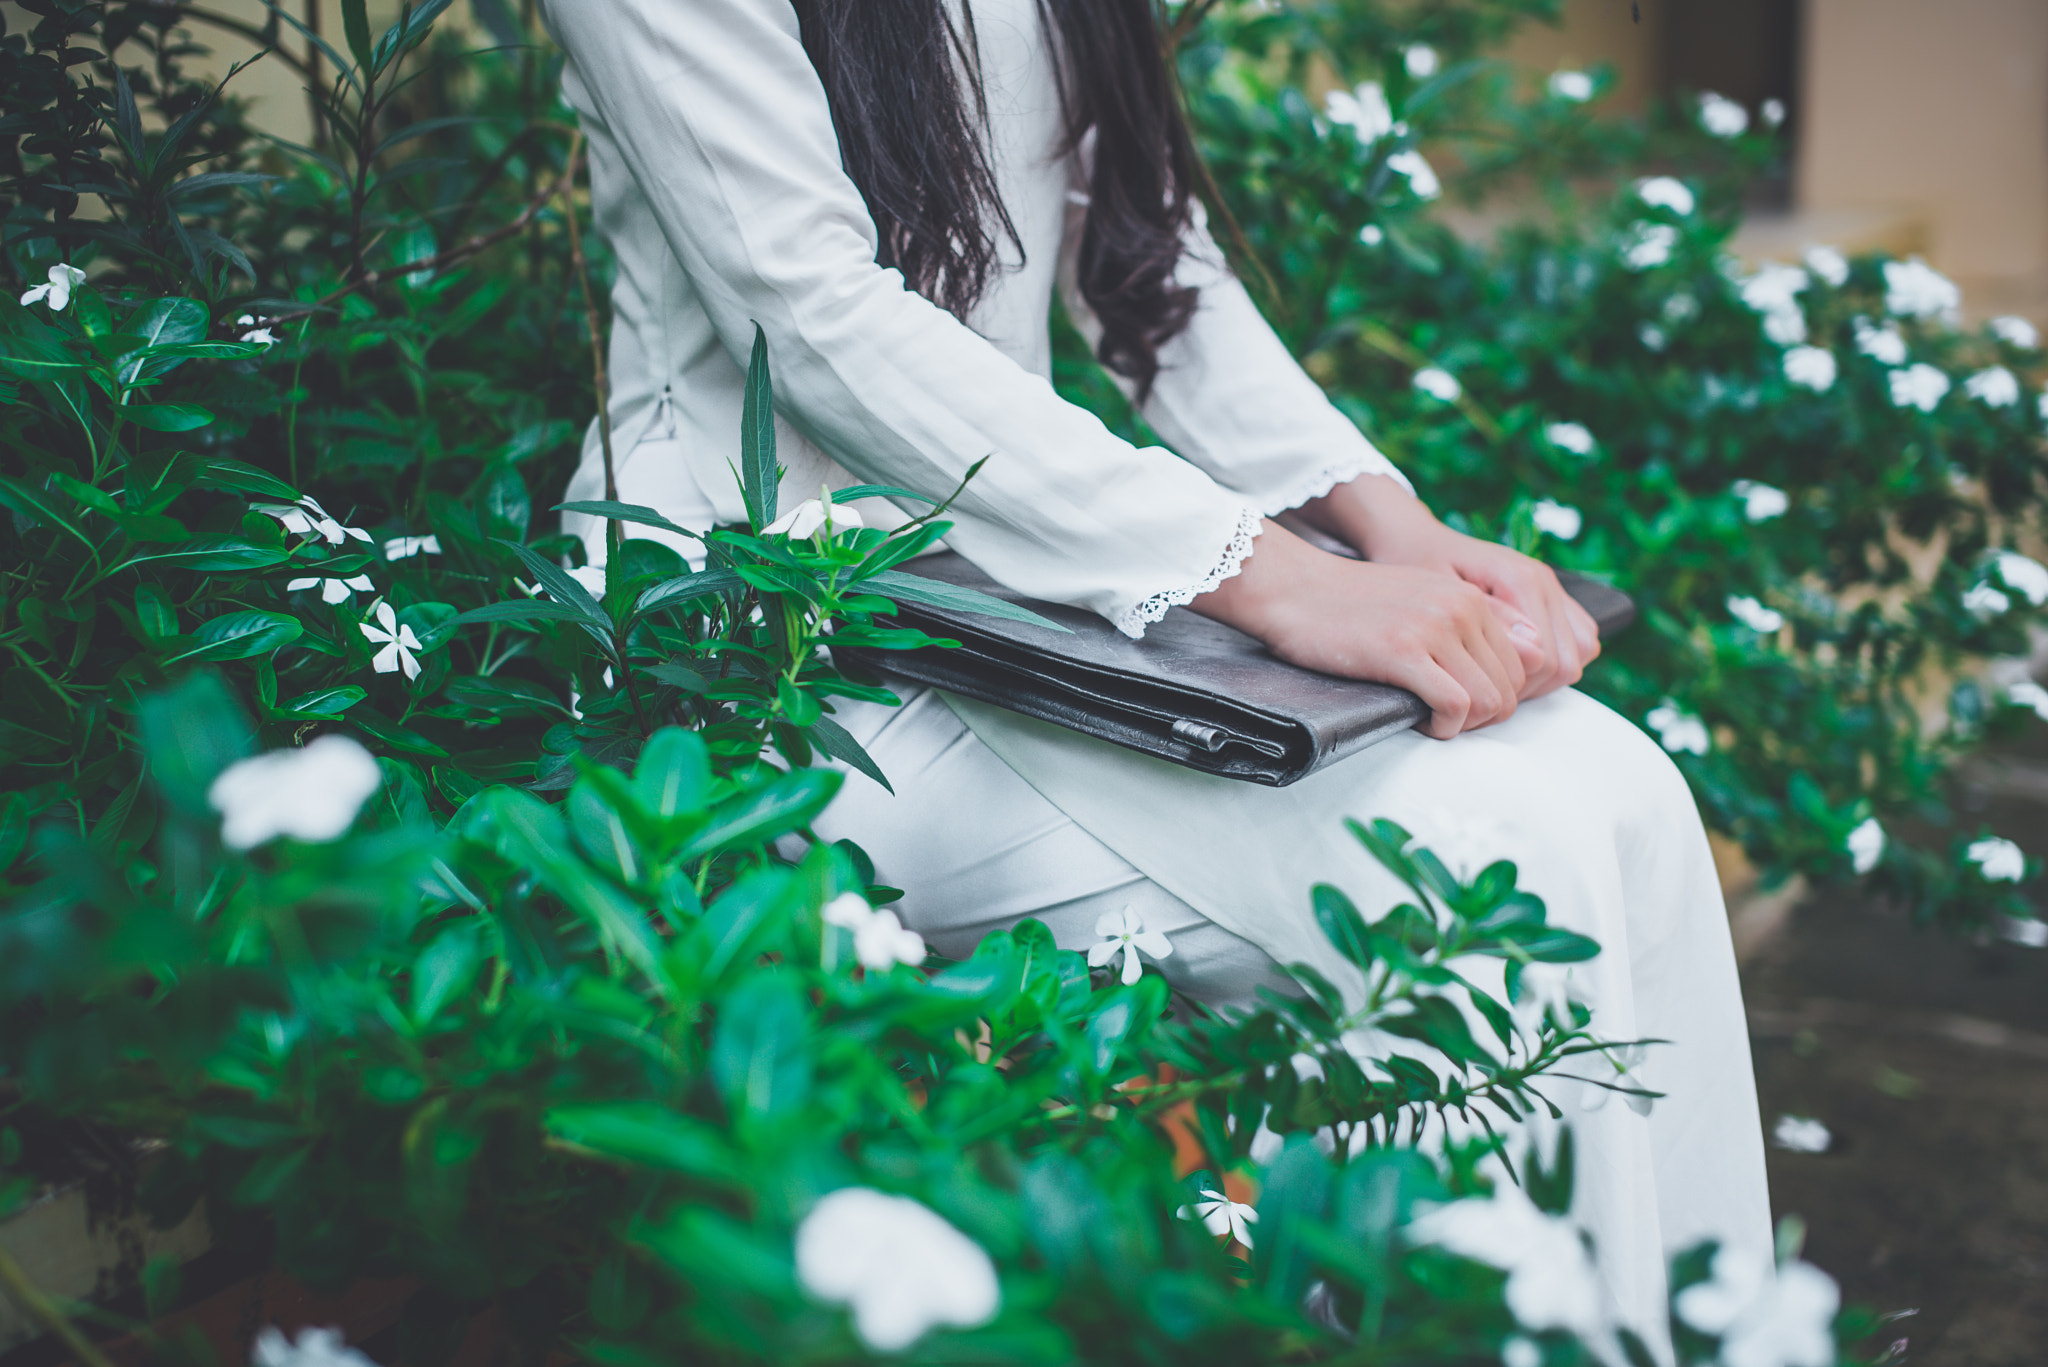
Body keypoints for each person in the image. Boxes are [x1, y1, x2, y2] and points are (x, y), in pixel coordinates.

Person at [539, 0, 1769, 1345]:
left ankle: (1698, 1336)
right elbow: (810, 310)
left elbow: (1148, 252)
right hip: (777, 651)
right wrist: (1275, 577)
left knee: (1621, 795)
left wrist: (1390, 530)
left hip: (1030, 576)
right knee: (1484, 870)